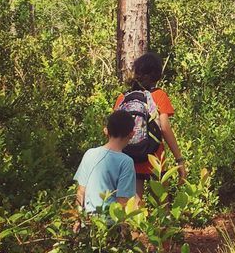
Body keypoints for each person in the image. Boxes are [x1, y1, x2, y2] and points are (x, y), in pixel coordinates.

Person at [114, 52, 187, 198]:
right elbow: (165, 128)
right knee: (161, 205)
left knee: (134, 209)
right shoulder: (159, 95)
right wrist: (179, 159)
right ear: (156, 75)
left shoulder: (123, 98)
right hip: (155, 159)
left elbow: (114, 132)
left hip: (130, 159)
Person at [74, 110, 138, 214]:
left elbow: (80, 192)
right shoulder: (126, 162)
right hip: (110, 224)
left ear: (106, 131)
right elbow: (122, 202)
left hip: (87, 220)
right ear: (131, 134)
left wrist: (78, 219)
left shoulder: (89, 154)